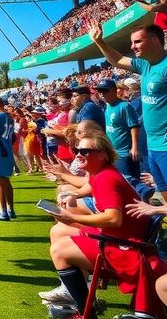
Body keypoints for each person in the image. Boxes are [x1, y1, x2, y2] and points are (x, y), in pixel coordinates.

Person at [47, 130, 156, 318]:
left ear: (103, 155)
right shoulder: (101, 172)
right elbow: (88, 186)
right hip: (121, 238)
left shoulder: (106, 178)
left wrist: (73, 218)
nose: (79, 154)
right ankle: (77, 293)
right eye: (77, 150)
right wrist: (73, 192)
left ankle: (86, 312)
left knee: (59, 250)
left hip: (125, 248)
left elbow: (114, 219)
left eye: (85, 151)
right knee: (59, 230)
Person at [89, 22, 167, 200]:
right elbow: (116, 60)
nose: (132, 47)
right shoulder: (145, 65)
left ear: (155, 40)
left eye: (137, 42)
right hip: (152, 146)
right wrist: (100, 42)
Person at [95, 79, 141, 183]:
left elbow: (134, 127)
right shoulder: (107, 106)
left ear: (114, 90)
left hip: (125, 153)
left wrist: (134, 147)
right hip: (113, 151)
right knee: (118, 181)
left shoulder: (124, 106)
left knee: (130, 182)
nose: (102, 94)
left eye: (105, 91)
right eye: (100, 91)